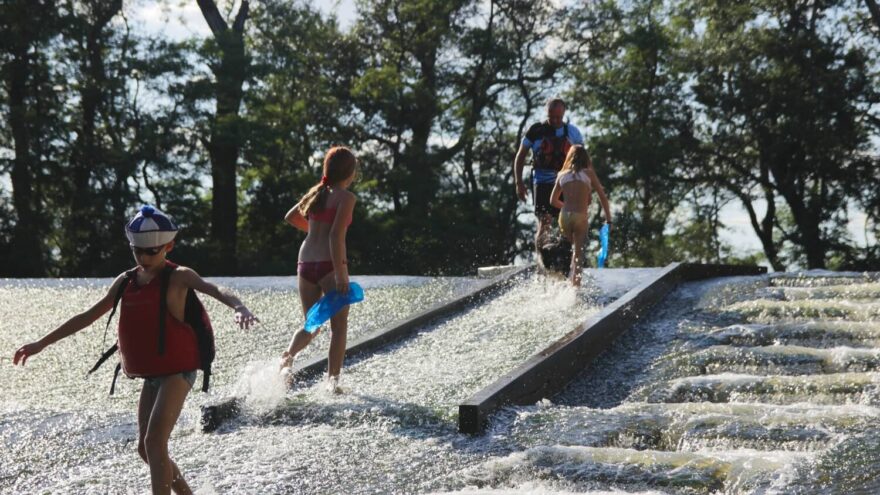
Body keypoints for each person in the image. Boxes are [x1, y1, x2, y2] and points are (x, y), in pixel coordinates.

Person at [12, 205, 258, 495]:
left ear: (169, 246)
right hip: (153, 375)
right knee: (144, 448)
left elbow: (215, 289)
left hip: (178, 372)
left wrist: (239, 306)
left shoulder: (179, 276)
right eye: (137, 250)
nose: (144, 257)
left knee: (155, 443)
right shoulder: (126, 281)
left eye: (151, 251)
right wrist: (42, 343)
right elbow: (87, 316)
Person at [280, 146, 357, 394]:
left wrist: (313, 230)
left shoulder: (317, 193)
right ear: (350, 173)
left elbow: (291, 216)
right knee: (339, 327)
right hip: (328, 265)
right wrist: (342, 273)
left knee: (311, 325)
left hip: (305, 263)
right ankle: (332, 383)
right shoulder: (346, 198)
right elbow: (336, 237)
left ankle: (288, 358)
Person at [513, 97, 585, 259]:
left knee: (568, 223)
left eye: (558, 117)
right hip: (542, 182)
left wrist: (585, 189)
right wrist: (519, 183)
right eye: (551, 116)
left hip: (566, 183)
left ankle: (567, 261)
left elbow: (583, 162)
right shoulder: (536, 131)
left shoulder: (573, 132)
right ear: (547, 113)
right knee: (544, 222)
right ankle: (541, 263)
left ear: (564, 113)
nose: (554, 120)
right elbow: (520, 156)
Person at [550, 145, 612, 286]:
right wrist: (608, 220)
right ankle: (575, 292)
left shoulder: (561, 175)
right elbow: (602, 196)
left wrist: (565, 207)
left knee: (566, 252)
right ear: (586, 158)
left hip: (564, 217)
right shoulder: (588, 173)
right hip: (580, 217)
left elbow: (552, 200)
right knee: (578, 255)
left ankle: (561, 285)